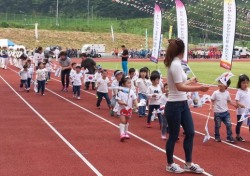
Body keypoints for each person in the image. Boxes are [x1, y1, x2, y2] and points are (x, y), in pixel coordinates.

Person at [164, 38, 209, 174]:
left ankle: (188, 164)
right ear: (182, 50)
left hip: (182, 104)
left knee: (190, 132)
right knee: (173, 135)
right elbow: (179, 87)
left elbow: (180, 83)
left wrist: (190, 81)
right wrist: (199, 88)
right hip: (174, 105)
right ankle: (170, 163)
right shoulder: (175, 65)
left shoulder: (176, 63)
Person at [210, 78, 237, 143]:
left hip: (226, 112)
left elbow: (229, 101)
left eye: (221, 83)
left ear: (226, 86)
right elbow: (212, 100)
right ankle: (217, 136)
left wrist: (234, 105)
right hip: (217, 113)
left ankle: (229, 137)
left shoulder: (227, 93)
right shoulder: (215, 93)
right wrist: (210, 107)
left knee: (229, 124)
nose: (219, 84)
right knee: (218, 125)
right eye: (219, 82)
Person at [116, 76, 138, 142]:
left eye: (130, 83)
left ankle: (126, 132)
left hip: (129, 109)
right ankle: (122, 134)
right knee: (123, 121)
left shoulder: (131, 91)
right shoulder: (120, 92)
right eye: (128, 83)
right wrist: (123, 103)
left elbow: (135, 99)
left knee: (126, 121)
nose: (130, 84)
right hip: (122, 109)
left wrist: (137, 105)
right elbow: (118, 101)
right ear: (123, 84)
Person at [235, 74, 250, 141]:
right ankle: (238, 136)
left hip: (248, 111)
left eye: (247, 82)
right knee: (239, 124)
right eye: (243, 83)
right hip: (241, 112)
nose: (245, 84)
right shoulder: (239, 92)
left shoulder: (249, 90)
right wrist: (241, 105)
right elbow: (237, 102)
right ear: (240, 83)